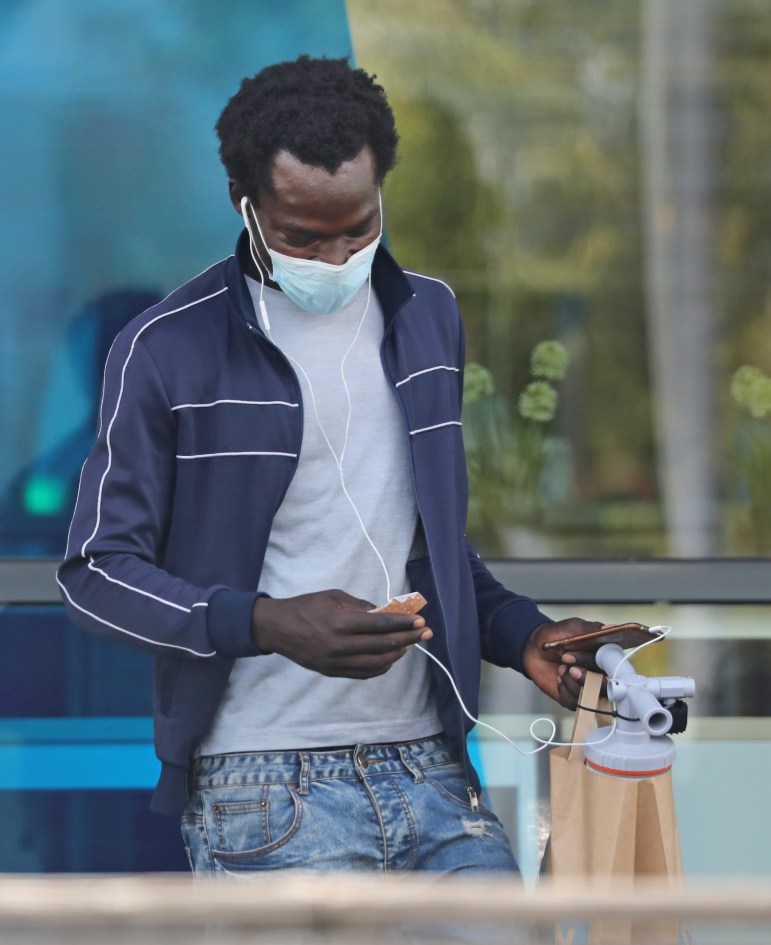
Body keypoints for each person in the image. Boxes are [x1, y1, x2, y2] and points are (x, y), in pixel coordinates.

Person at [58, 55, 605, 876]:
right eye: (301, 236)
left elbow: (426, 546)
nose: (337, 255)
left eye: (358, 226)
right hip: (261, 784)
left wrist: (522, 633)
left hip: (436, 772)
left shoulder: (430, 317)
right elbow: (95, 572)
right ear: (243, 205)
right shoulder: (166, 348)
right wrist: (266, 620)